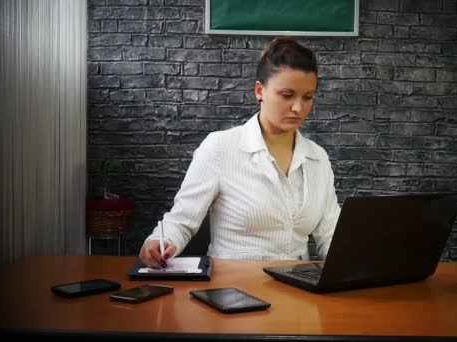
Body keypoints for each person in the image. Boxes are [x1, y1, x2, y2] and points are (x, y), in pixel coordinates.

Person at [139, 36, 341, 268]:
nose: (298, 107)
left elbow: (330, 233)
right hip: (232, 290)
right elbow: (182, 221)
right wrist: (159, 242)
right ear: (259, 91)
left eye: (308, 97)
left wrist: (355, 259)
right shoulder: (220, 148)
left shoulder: (317, 157)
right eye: (287, 95)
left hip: (297, 288)